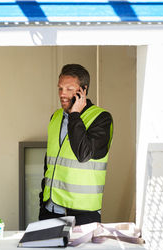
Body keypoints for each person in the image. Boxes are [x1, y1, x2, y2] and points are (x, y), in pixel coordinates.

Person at [38, 64, 113, 225]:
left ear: (83, 91)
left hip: (82, 215)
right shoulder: (56, 117)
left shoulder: (101, 119)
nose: (62, 94)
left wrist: (75, 115)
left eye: (69, 89)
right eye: (60, 88)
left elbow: (83, 154)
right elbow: (50, 164)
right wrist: (43, 201)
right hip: (50, 210)